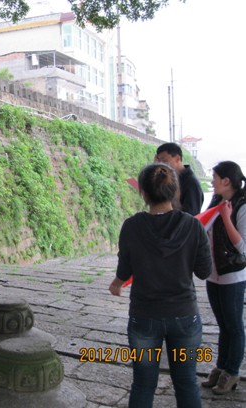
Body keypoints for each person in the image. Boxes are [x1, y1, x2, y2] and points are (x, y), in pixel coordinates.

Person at [109, 163, 212, 408]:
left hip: (144, 317)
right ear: (175, 191)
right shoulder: (193, 226)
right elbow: (204, 272)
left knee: (143, 384)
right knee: (186, 382)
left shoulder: (132, 226)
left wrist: (117, 283)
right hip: (185, 316)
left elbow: (125, 268)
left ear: (143, 193)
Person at [202, 161, 246, 395]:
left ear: (226, 181)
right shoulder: (216, 200)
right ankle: (221, 368)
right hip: (213, 273)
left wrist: (226, 217)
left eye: (215, 177)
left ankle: (232, 371)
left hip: (233, 275)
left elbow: (243, 247)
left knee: (234, 325)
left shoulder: (242, 205)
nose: (212, 181)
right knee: (223, 325)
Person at [155, 142, 203, 215]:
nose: (161, 165)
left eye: (164, 161)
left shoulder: (191, 183)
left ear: (177, 159)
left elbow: (192, 215)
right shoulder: (169, 177)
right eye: (159, 162)